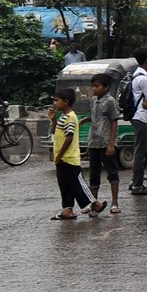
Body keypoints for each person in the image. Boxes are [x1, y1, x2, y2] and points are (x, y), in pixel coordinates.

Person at [49, 87, 89, 221]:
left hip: (68, 158)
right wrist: (53, 119)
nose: (55, 103)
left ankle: (94, 204)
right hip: (61, 159)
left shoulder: (70, 117)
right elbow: (56, 132)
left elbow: (69, 137)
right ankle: (67, 209)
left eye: (57, 100)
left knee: (78, 185)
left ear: (65, 102)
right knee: (65, 185)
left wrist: (60, 155)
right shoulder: (63, 117)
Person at [84, 73, 122, 216]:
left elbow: (114, 122)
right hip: (94, 142)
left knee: (112, 172)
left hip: (106, 142)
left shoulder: (110, 101)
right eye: (93, 86)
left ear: (106, 87)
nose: (94, 89)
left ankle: (115, 202)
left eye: (97, 86)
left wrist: (111, 143)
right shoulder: (93, 101)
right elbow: (96, 118)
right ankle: (94, 203)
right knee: (94, 175)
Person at [126, 48, 147, 196]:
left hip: (138, 116)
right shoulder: (143, 77)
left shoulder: (136, 74)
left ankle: (136, 180)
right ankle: (137, 185)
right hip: (140, 117)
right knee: (140, 150)